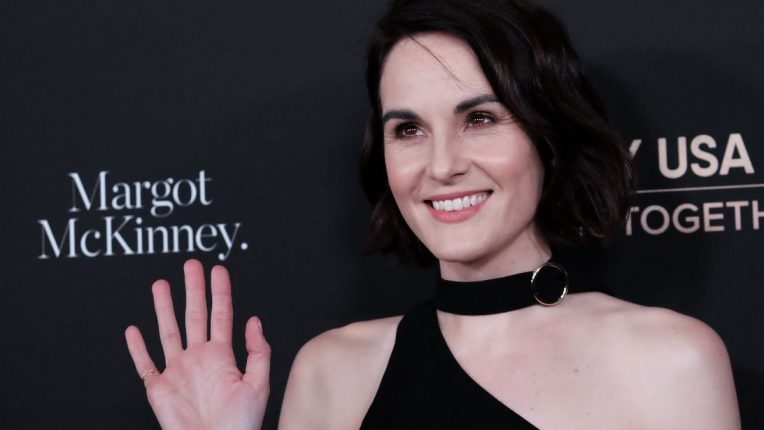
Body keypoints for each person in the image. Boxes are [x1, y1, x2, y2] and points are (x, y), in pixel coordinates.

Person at [125, 0, 741, 428]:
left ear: (547, 137)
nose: (441, 165)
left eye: (480, 118)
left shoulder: (670, 360)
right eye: (409, 129)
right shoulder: (331, 370)